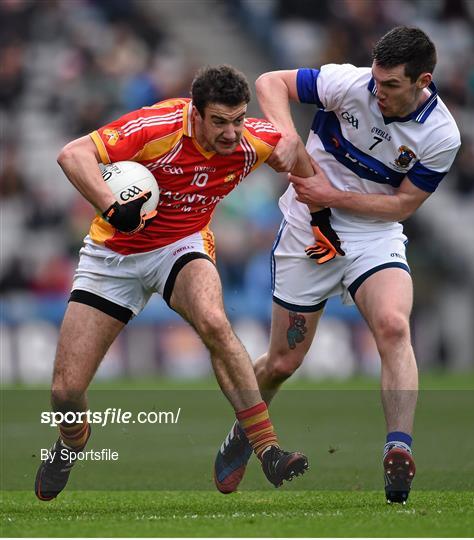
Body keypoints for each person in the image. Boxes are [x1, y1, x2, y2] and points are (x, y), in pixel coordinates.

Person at [34, 65, 310, 501]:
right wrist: (111, 206)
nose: (230, 133)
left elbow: (299, 162)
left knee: (216, 323)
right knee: (65, 392)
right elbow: (72, 154)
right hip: (113, 257)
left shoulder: (251, 140)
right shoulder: (155, 126)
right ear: (194, 114)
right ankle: (72, 442)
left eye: (238, 119)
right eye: (219, 121)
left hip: (181, 245)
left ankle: (267, 449)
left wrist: (296, 149)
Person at [213, 27, 461, 504]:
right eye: (376, 80)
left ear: (422, 81)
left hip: (373, 234)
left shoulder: (441, 134)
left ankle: (398, 449)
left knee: (392, 326)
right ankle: (244, 432)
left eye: (390, 86)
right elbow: (270, 81)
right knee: (284, 361)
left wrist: (335, 194)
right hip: (309, 229)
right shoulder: (349, 84)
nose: (377, 92)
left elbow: (404, 205)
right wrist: (288, 137)